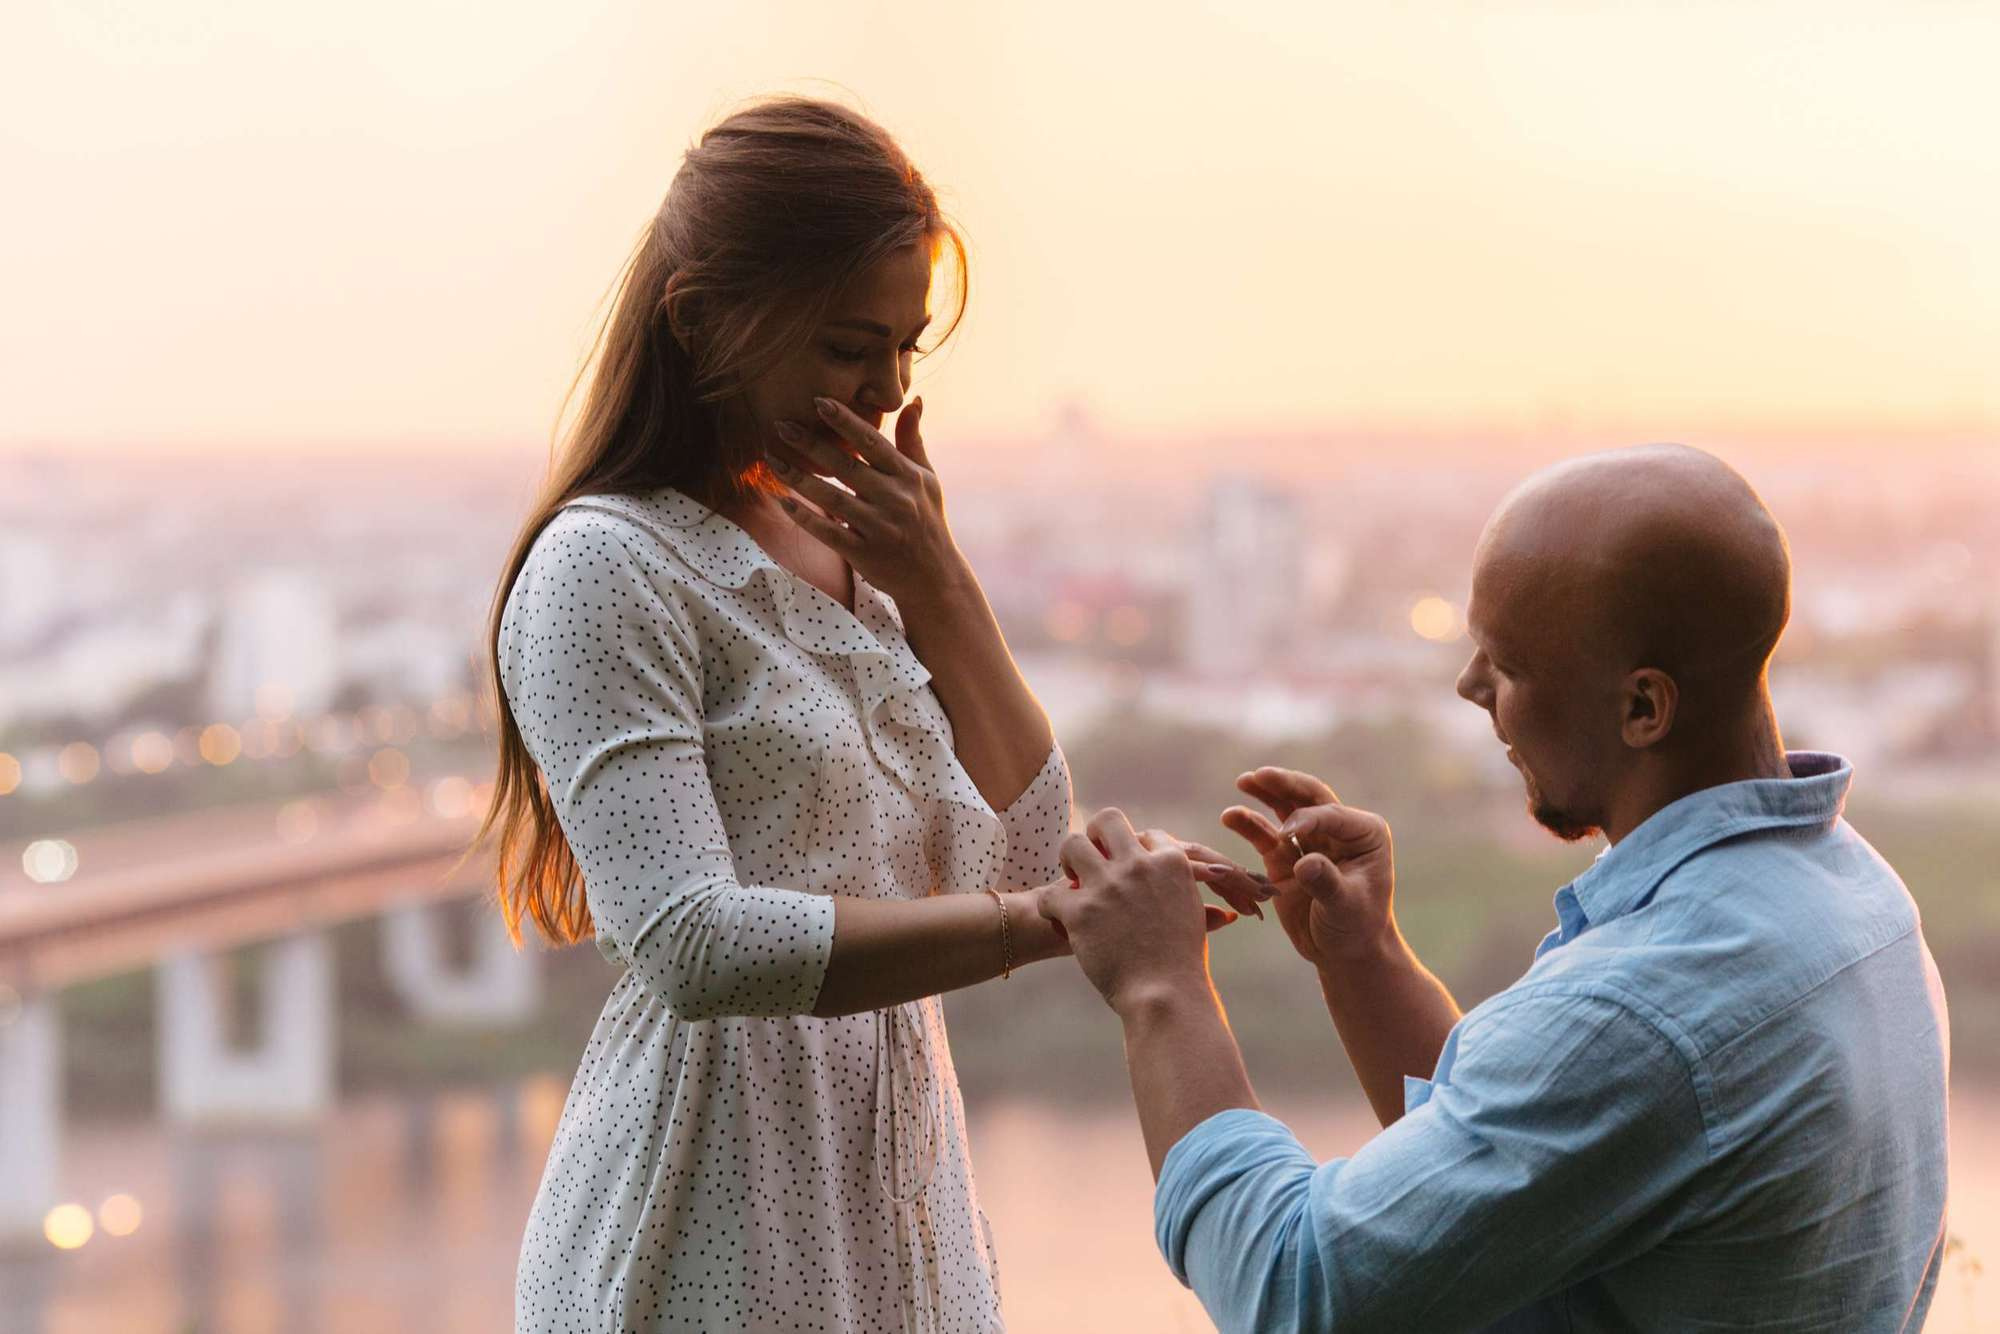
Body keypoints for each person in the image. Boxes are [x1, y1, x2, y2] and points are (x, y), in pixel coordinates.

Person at [479, 98, 1249, 1333]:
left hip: (897, 1190)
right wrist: (1054, 920)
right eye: (849, 346)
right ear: (702, 321)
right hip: (707, 1209)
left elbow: (1007, 849)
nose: (885, 392)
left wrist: (944, 592)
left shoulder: (840, 550)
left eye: (906, 350)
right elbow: (692, 944)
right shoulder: (607, 568)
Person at [1040, 444, 1952, 1332]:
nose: (1470, 684)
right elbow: (1528, 1165)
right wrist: (1365, 960)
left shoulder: (1648, 1007)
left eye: (1508, 664)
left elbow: (1294, 1291)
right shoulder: (1856, 893)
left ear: (1643, 708)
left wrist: (1160, 985)